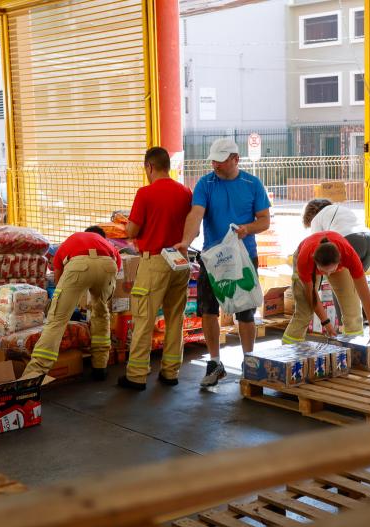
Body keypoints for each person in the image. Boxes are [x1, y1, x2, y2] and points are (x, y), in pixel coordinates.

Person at [175, 137, 271, 387]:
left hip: (243, 257)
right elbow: (196, 214)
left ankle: (249, 360)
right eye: (213, 162)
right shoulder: (206, 184)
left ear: (235, 159)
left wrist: (247, 229)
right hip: (212, 257)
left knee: (245, 311)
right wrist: (186, 241)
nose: (215, 166)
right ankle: (215, 363)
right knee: (208, 309)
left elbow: (264, 220)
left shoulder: (252, 184)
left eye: (221, 162)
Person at [119, 147, 194, 391]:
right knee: (175, 317)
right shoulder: (185, 192)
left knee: (144, 318)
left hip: (155, 262)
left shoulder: (145, 193)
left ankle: (137, 375)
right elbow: (193, 226)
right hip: (180, 261)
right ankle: (170, 372)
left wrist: (128, 226)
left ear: (149, 167)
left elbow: (132, 231)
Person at [22, 226, 121, 381]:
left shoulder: (73, 239)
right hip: (108, 266)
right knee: (101, 315)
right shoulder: (106, 243)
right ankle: (100, 366)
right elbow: (117, 268)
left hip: (78, 266)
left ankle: (34, 375)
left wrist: (65, 299)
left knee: (57, 320)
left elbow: (58, 278)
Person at [283, 231, 370, 357]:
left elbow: (365, 296)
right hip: (306, 257)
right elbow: (312, 297)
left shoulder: (349, 256)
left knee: (352, 309)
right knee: (304, 313)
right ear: (316, 263)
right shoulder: (305, 261)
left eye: (331, 271)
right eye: (323, 271)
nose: (328, 275)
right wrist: (326, 323)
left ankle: (356, 355)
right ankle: (288, 357)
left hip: (334, 260)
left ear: (340, 262)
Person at [302, 198, 370, 271]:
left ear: (310, 216)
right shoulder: (342, 209)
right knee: (358, 280)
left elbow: (317, 248)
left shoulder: (316, 219)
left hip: (349, 240)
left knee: (340, 279)